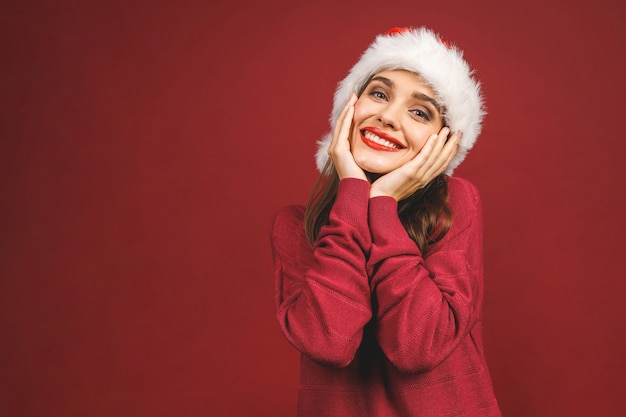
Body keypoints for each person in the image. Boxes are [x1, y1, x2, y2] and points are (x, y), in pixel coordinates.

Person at [270, 27, 502, 417]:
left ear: (444, 144)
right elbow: (330, 342)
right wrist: (354, 197)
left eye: (419, 111)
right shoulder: (294, 228)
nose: (388, 117)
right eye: (378, 94)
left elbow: (418, 348)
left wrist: (383, 206)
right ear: (349, 107)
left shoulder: (455, 205)